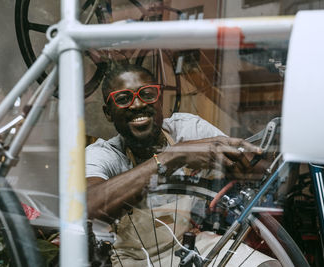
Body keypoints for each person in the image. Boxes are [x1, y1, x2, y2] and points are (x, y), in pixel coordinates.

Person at [85, 64, 274, 266]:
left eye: (147, 94)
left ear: (159, 100)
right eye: (123, 99)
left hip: (188, 244)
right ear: (108, 113)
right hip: (135, 259)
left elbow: (254, 169)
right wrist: (174, 156)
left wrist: (248, 159)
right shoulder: (103, 155)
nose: (137, 104)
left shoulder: (186, 129)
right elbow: (87, 206)